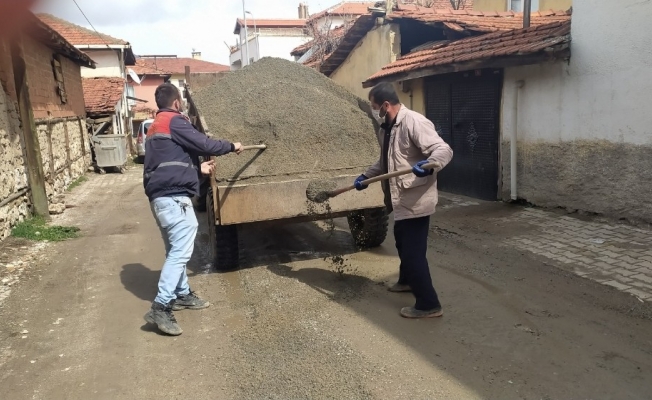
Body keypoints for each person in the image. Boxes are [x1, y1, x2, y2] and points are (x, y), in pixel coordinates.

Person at [142, 83, 243, 335]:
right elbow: (204, 144)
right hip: (174, 199)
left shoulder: (155, 126)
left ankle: (182, 293)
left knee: (174, 250)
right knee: (180, 252)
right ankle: (161, 306)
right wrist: (232, 146)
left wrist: (197, 169)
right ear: (177, 102)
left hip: (161, 197)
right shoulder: (175, 121)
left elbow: (167, 164)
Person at [355, 82, 453, 319]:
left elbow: (443, 150)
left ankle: (429, 304)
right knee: (401, 242)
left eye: (374, 107)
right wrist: (366, 177)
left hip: (416, 199)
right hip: (400, 200)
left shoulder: (414, 122)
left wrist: (429, 165)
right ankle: (407, 280)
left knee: (412, 253)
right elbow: (384, 162)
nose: (373, 111)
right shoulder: (386, 130)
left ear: (386, 105)